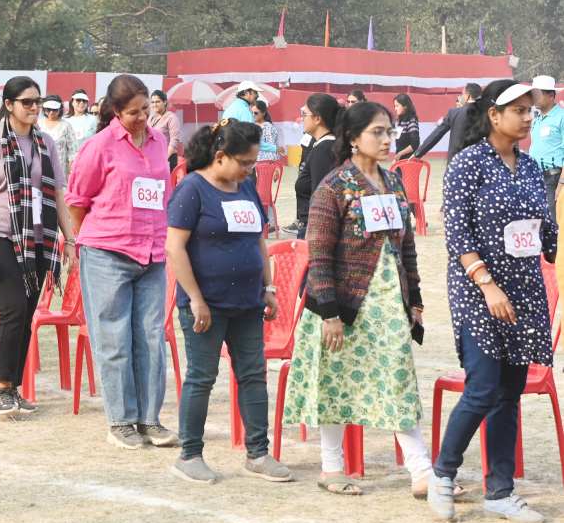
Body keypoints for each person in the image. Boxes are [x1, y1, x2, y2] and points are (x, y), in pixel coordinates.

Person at [284, 101, 433, 497]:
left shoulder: (395, 182)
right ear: (353, 138)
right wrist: (330, 313)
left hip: (389, 302)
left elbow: (407, 249)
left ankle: (422, 472)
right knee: (334, 384)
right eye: (378, 133)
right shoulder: (334, 186)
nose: (387, 140)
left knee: (398, 378)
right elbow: (318, 253)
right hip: (344, 306)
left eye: (390, 132)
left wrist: (414, 299)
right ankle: (332, 468)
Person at [429, 80, 557, 523]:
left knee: (509, 394)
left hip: (524, 291)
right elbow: (458, 234)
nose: (527, 117)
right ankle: (442, 474)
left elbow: (543, 231)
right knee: (482, 388)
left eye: (530, 110)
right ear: (493, 115)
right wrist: (486, 283)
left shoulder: (531, 165)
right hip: (478, 291)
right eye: (518, 110)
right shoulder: (467, 164)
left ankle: (501, 491)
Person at [166, 118, 290, 483]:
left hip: (247, 302)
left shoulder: (246, 187)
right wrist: (196, 299)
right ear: (220, 156)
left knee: (253, 375)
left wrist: (269, 289)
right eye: (245, 162)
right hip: (206, 304)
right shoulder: (192, 190)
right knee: (202, 377)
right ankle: (189, 455)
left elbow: (258, 241)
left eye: (253, 163)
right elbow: (176, 247)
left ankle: (258, 453)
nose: (250, 170)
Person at [67, 74, 178, 449]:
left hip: (152, 253)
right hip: (107, 253)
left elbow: (163, 191)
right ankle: (121, 420)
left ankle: (150, 418)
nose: (143, 117)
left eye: (147, 109)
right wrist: (93, 240)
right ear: (116, 112)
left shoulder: (160, 141)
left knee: (151, 338)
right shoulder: (99, 146)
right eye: (133, 112)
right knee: (113, 339)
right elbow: (77, 200)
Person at [0, 76, 76, 415]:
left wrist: (69, 239)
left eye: (37, 102)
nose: (34, 108)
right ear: (9, 105)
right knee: (13, 307)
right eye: (26, 102)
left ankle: (13, 386)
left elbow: (57, 192)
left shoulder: (46, 142)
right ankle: (2, 387)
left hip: (38, 240)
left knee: (27, 312)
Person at [282, 93, 340, 239]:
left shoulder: (323, 150)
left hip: (315, 230)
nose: (302, 118)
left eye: (304, 114)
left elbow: (320, 196)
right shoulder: (323, 145)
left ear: (317, 118)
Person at [414, 83, 481, 164]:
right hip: (479, 161)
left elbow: (437, 134)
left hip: (456, 161)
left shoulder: (454, 113)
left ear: (467, 96)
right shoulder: (488, 113)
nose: (461, 97)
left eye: (462, 94)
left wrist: (418, 153)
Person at [528, 75, 564, 223]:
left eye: (538, 94)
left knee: (553, 222)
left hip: (553, 178)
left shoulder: (561, 117)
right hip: (536, 177)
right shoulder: (537, 120)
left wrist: (561, 184)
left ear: (551, 95)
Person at [38, 95, 78, 176]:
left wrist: (71, 167)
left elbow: (73, 150)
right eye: (48, 109)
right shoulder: (38, 124)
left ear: (60, 109)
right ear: (44, 109)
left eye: (54, 110)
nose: (51, 112)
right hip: (40, 168)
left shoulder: (66, 126)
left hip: (60, 170)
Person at [148, 90, 182, 171]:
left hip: (167, 158)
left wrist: (164, 159)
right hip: (153, 159)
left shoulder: (171, 118)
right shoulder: (151, 118)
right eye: (152, 102)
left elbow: (174, 141)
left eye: (157, 102)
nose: (154, 105)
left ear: (165, 102)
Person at [393, 93, 420, 161]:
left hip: (408, 162)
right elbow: (394, 138)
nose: (395, 109)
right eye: (394, 106)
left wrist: (400, 154)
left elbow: (415, 144)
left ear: (405, 106)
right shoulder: (400, 122)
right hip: (400, 161)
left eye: (397, 106)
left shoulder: (411, 121)